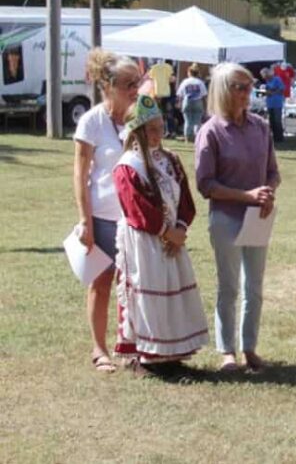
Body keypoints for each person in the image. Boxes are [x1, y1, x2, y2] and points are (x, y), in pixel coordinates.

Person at [112, 95, 209, 372]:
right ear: (138, 132)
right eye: (152, 129)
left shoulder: (170, 160)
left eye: (160, 127)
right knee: (146, 293)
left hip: (171, 242)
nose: (158, 134)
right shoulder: (128, 166)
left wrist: (180, 228)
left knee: (172, 293)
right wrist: (167, 232)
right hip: (145, 242)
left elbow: (186, 201)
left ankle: (172, 353)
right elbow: (136, 208)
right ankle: (147, 355)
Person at [195, 62, 281, 373]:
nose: (248, 93)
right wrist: (247, 196)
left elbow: (273, 172)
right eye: (240, 87)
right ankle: (227, 351)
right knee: (229, 286)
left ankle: (249, 348)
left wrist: (267, 192)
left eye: (249, 87)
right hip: (227, 218)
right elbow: (206, 184)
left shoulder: (260, 127)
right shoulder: (211, 132)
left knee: (254, 287)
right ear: (223, 91)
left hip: (257, 217)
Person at [73, 49, 142, 373]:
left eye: (137, 83)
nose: (135, 89)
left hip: (136, 217)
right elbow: (80, 174)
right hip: (102, 216)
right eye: (129, 83)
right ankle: (99, 350)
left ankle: (134, 347)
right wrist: (85, 220)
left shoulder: (139, 117)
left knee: (134, 284)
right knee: (101, 284)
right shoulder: (92, 122)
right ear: (109, 85)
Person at [177, 65, 207, 143]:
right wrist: (205, 106)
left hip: (187, 101)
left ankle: (187, 138)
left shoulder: (185, 82)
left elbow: (180, 94)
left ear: (189, 72)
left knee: (187, 121)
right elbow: (204, 96)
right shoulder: (200, 82)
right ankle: (197, 138)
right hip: (198, 102)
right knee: (197, 122)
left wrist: (179, 103)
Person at [148, 58, 178, 137]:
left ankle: (164, 131)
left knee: (160, 114)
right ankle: (169, 131)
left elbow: (150, 78)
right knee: (168, 114)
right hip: (168, 95)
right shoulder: (168, 69)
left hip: (158, 94)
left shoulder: (155, 68)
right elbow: (173, 80)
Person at [261, 66, 286, 143]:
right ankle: (273, 137)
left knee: (277, 120)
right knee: (271, 121)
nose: (266, 79)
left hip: (277, 103)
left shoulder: (277, 79)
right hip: (270, 103)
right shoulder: (267, 82)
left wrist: (272, 92)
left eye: (266, 77)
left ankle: (280, 137)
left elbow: (282, 89)